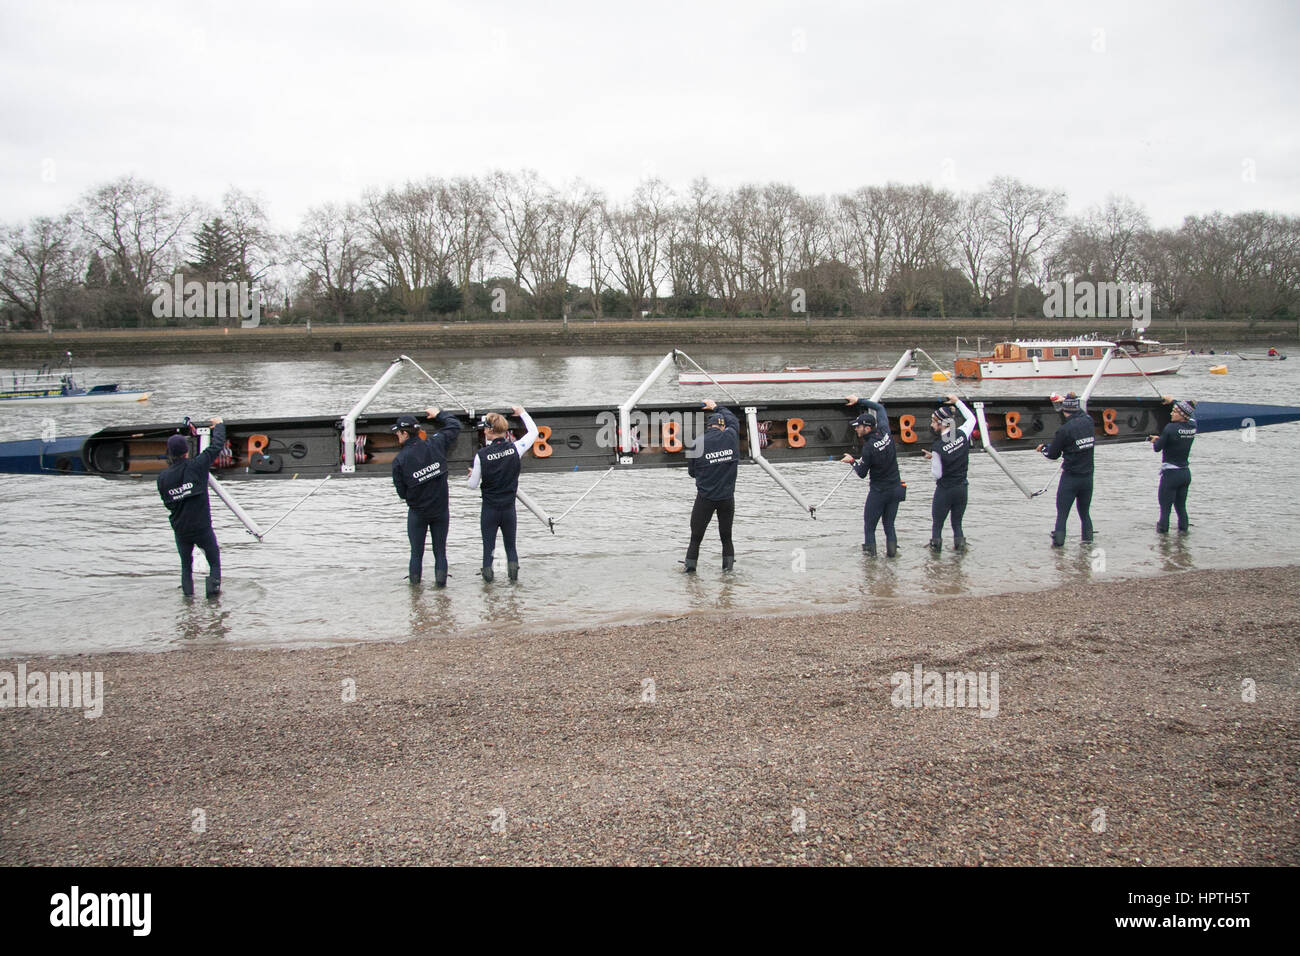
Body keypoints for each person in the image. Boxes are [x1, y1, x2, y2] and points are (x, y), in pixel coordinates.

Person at [392, 407, 462, 586]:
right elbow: (454, 425)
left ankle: (415, 597)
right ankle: (442, 593)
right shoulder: (435, 444)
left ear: (405, 434)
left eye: (398, 432)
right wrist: (439, 414)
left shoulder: (400, 460)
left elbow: (402, 493)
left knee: (416, 554)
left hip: (418, 513)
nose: (396, 436)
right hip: (440, 510)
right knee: (440, 552)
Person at [157, 417, 227, 598]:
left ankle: (188, 602)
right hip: (201, 528)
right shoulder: (197, 466)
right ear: (186, 451)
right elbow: (216, 446)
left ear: (169, 453)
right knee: (214, 563)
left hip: (181, 529)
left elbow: (167, 503)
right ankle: (213, 603)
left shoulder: (162, 478)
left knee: (186, 566)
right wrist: (219, 426)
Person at [467, 405, 538, 582]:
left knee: (488, 548)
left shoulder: (481, 456)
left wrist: (474, 473)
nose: (483, 430)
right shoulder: (516, 448)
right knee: (511, 547)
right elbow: (534, 432)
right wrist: (522, 413)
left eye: (485, 428)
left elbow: (472, 485)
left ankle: (488, 590)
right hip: (509, 509)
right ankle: (514, 584)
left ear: (489, 431)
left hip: (490, 509)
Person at [841, 394, 905, 557]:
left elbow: (862, 473)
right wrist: (860, 401)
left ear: (867, 428)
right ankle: (892, 560)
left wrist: (852, 461)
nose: (856, 429)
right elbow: (880, 408)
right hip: (896, 488)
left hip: (880, 492)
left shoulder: (868, 448)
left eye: (858, 427)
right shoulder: (885, 431)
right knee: (889, 525)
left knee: (869, 527)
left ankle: (870, 565)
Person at [684, 399, 740, 573]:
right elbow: (733, 420)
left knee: (696, 538)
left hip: (705, 499)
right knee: (726, 537)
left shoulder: (696, 443)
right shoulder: (731, 436)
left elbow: (691, 472)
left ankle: (690, 571)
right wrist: (716, 406)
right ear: (722, 427)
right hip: (727, 498)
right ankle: (728, 572)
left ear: (709, 426)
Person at [1035, 392, 1095, 547]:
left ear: (1064, 411)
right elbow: (1081, 412)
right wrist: (1068, 399)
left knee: (1062, 515)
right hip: (1088, 477)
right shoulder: (1089, 421)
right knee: (1085, 514)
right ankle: (1088, 546)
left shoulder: (1064, 430)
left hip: (1071, 478)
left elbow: (1053, 455)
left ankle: (1059, 548)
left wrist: (1043, 449)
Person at [921, 394, 976, 552]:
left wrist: (933, 458)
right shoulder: (961, 434)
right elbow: (971, 419)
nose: (932, 425)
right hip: (962, 487)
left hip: (945, 489)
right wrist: (958, 401)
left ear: (941, 424)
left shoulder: (938, 447)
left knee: (937, 524)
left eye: (933, 422)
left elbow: (937, 474)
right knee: (957, 524)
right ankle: (959, 556)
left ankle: (935, 556)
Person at [1148, 396, 1196, 533]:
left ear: (1182, 416)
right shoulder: (1192, 425)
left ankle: (1163, 545)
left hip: (1171, 475)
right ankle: (1183, 541)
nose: (1171, 413)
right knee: (1181, 508)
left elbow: (1157, 448)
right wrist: (1173, 401)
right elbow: (1192, 413)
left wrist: (1155, 440)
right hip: (1185, 473)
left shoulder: (1170, 428)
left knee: (1165, 510)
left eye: (1174, 411)